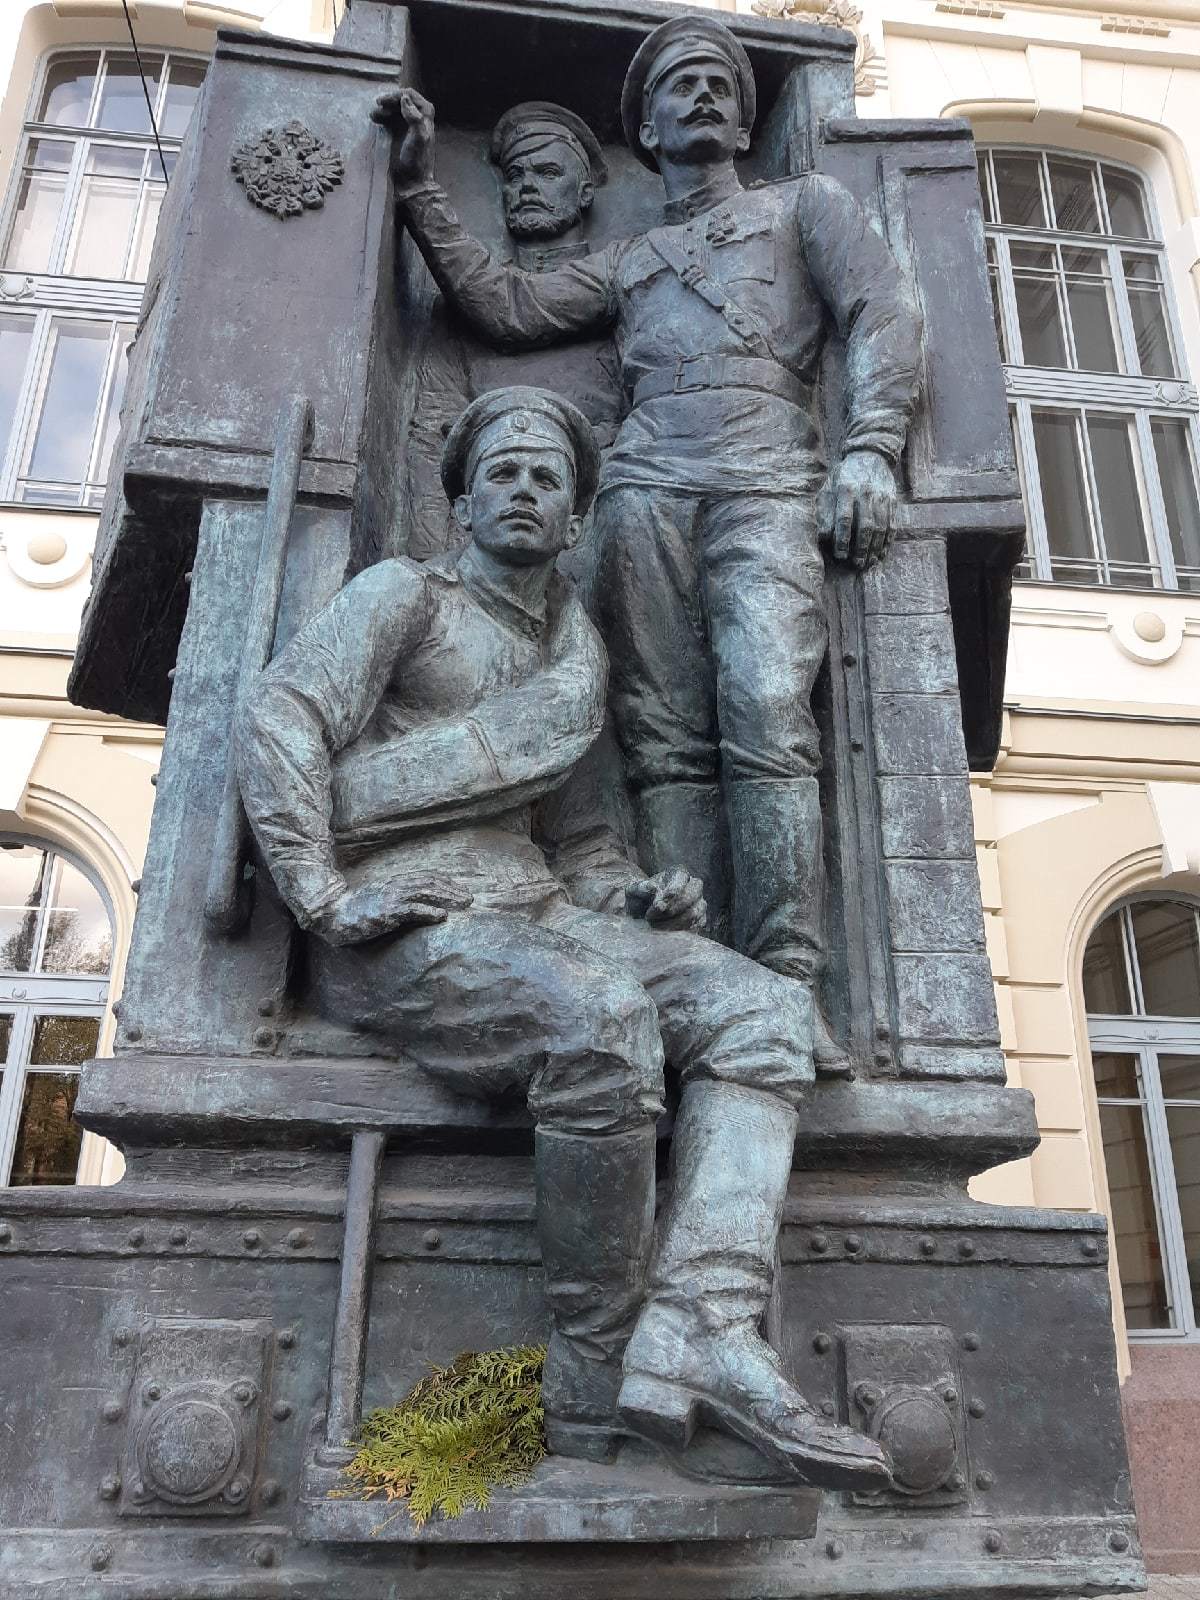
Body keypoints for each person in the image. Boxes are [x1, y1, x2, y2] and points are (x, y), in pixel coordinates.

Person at [236, 385, 889, 1490]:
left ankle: (700, 1327)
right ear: (463, 503)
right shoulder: (404, 598)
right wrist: (320, 892)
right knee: (602, 1021)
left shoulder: (576, 655)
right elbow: (282, 718)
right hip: (408, 924)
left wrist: (637, 897)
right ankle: (591, 1361)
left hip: (540, 916)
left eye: (548, 478)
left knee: (765, 1010)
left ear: (577, 520)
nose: (526, 490)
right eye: (504, 472)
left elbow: (580, 840)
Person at [373, 16, 923, 1068]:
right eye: (679, 85)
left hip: (767, 477)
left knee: (766, 707)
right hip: (643, 491)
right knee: (663, 739)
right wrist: (417, 190)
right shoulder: (634, 258)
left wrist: (872, 450)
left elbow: (883, 312)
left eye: (720, 82)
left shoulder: (806, 206)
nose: (704, 95)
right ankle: (694, 973)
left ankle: (788, 982)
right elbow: (503, 304)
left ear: (744, 116)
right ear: (648, 127)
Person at [405, 101, 621, 561]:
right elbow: (432, 433)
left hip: (599, 524)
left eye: (546, 173)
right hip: (486, 543)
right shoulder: (455, 313)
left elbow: (511, 305)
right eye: (516, 175)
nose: (527, 187)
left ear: (584, 193)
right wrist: (434, 559)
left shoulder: (623, 283)